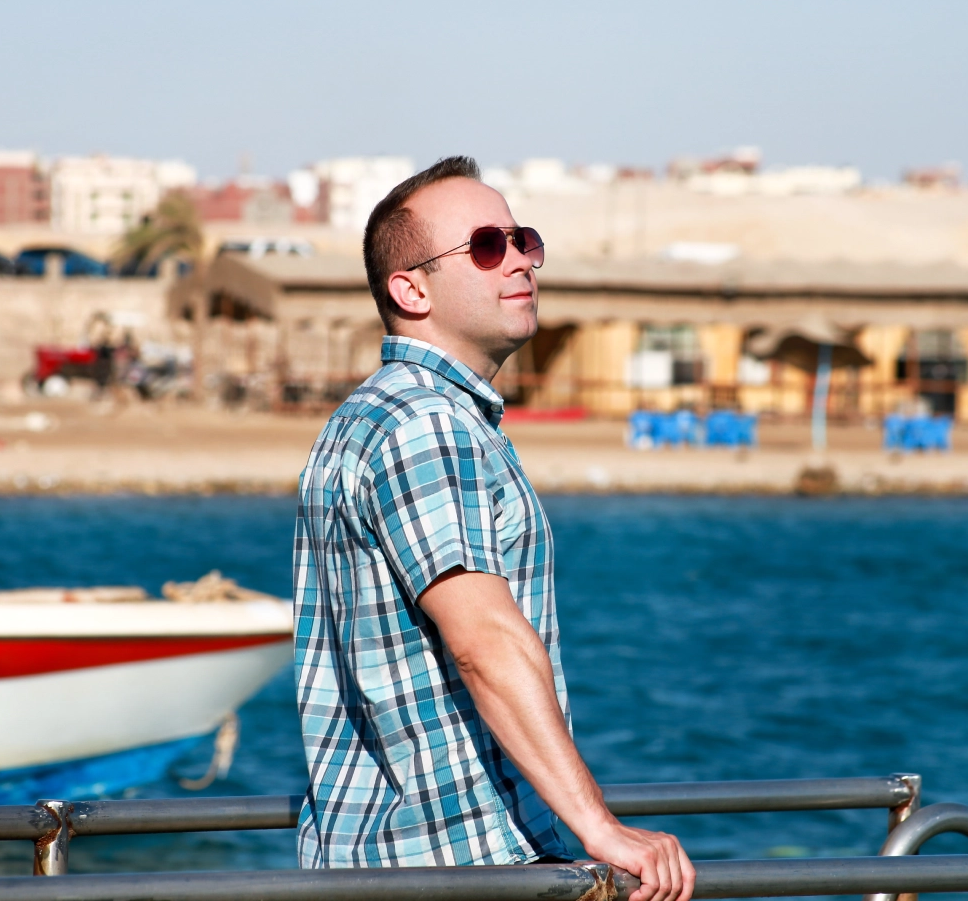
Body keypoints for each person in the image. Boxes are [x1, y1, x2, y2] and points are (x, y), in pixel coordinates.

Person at [292, 157, 694, 901]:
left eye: (523, 240)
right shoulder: (425, 427)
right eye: (484, 246)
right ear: (410, 289)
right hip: (455, 862)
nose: (518, 261)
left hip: (389, 860)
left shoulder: (378, 415)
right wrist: (599, 828)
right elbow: (484, 642)